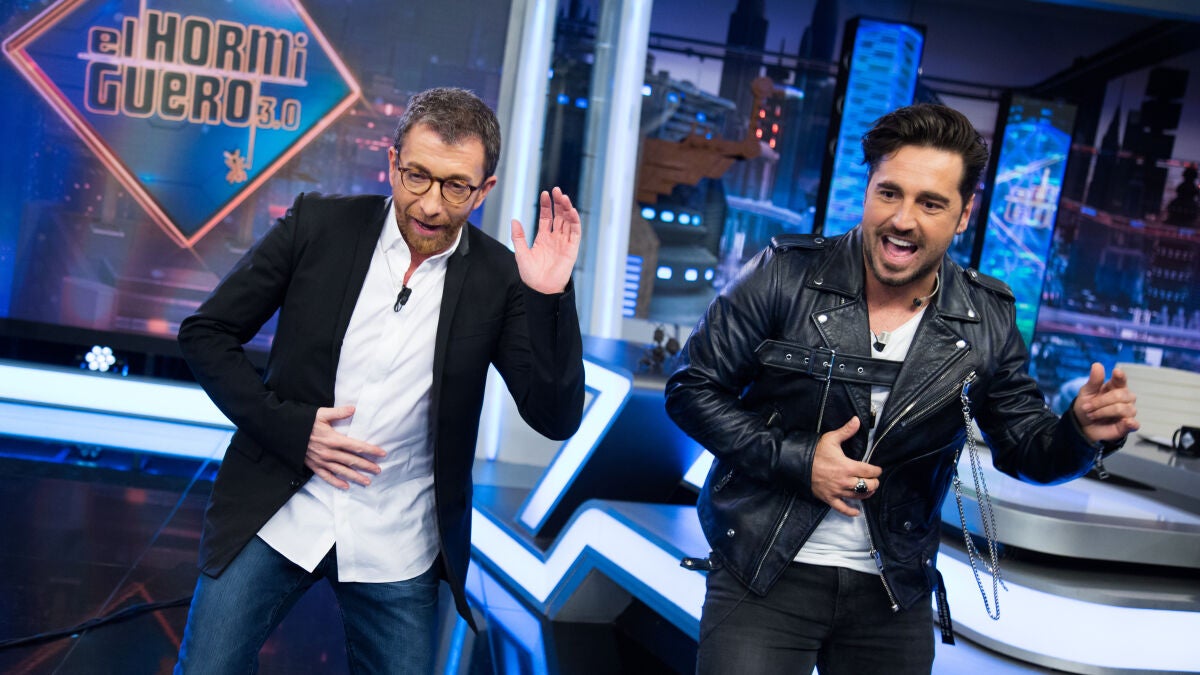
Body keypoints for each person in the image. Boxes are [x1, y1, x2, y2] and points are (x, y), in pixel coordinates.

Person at [664, 103, 1138, 675]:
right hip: (762, 570)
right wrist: (799, 460)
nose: (903, 220)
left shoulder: (987, 318)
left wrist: (1080, 433)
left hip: (895, 591)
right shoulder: (783, 273)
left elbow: (1027, 449)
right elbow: (691, 388)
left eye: (930, 203)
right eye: (889, 193)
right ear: (867, 190)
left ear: (963, 216)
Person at [174, 87, 586, 673]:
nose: (431, 205)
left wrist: (550, 298)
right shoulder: (319, 225)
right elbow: (206, 333)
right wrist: (293, 430)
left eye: (456, 186)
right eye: (417, 176)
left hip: (399, 538)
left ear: (484, 189)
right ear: (392, 163)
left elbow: (555, 418)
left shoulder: (501, 277)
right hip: (277, 509)